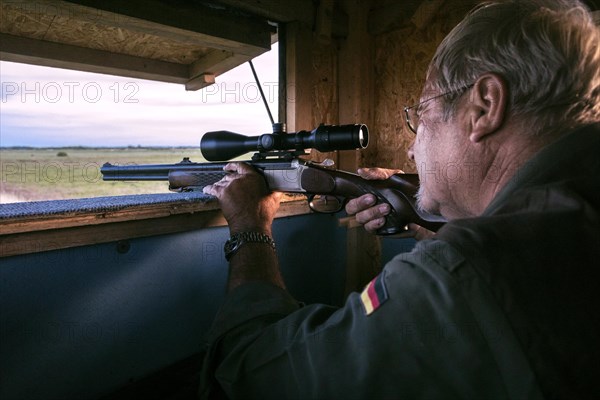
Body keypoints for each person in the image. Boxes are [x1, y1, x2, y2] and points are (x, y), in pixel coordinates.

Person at [200, 0, 600, 398]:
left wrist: (250, 227)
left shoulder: (458, 275)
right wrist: (438, 225)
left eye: (421, 115)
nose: (411, 151)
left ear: (485, 106)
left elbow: (248, 371)